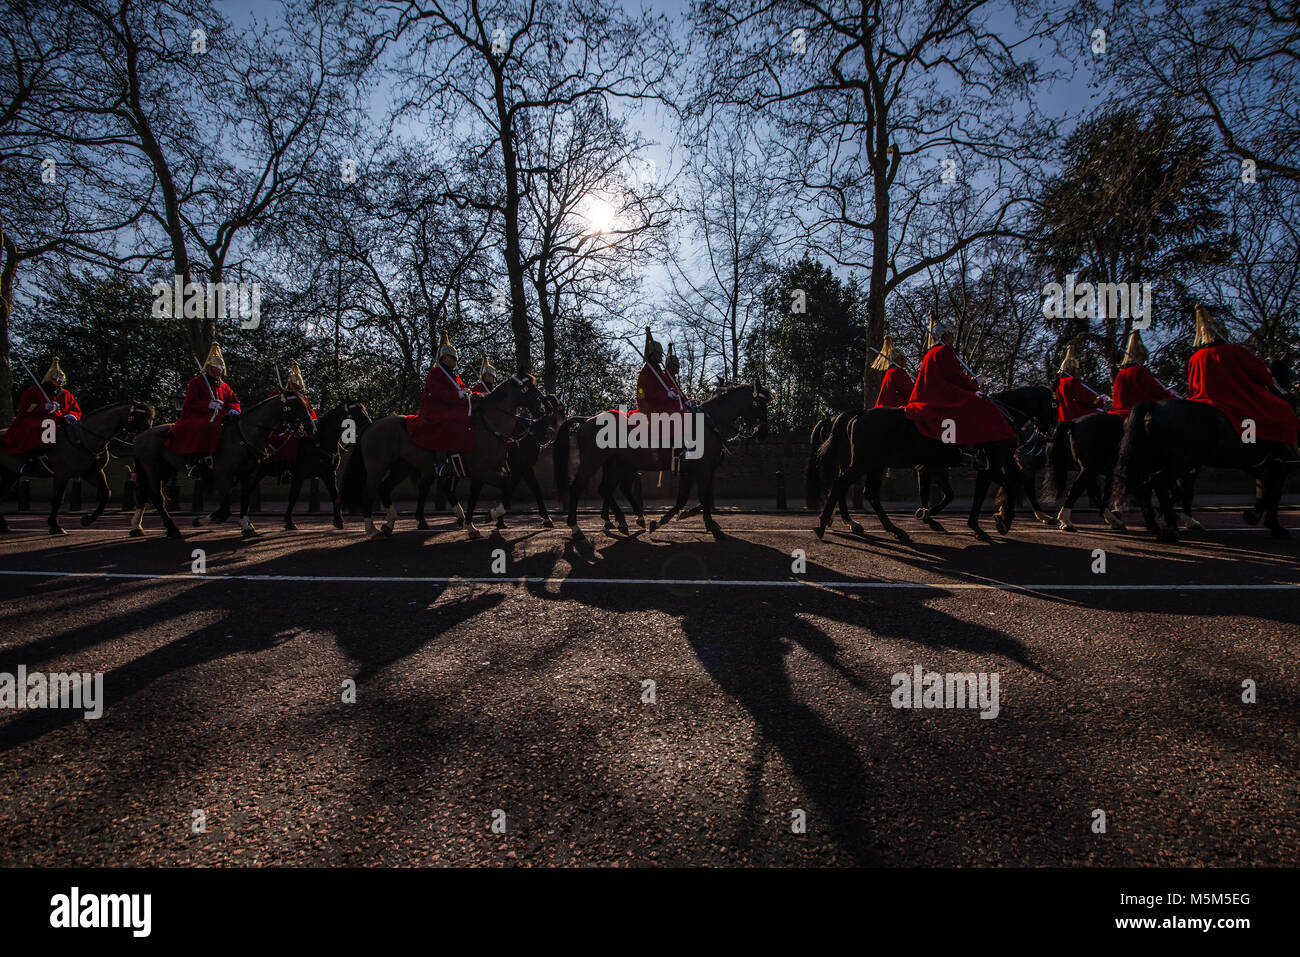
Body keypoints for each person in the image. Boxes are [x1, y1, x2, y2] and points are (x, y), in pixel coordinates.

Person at [1186, 304, 1298, 461]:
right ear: (1222, 333)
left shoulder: (1195, 357)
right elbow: (1264, 377)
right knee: (1284, 409)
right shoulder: (1233, 350)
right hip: (1236, 400)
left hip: (1203, 402)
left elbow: (1192, 386)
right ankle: (1288, 455)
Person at [902, 317, 1015, 469]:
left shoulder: (932, 353)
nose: (952, 340)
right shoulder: (943, 351)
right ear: (944, 337)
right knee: (983, 406)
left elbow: (953, 376)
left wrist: (971, 382)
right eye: (950, 337)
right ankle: (970, 448)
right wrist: (975, 383)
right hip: (943, 396)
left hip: (936, 394)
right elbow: (956, 377)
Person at [165, 342, 240, 478]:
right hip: (198, 415)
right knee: (205, 426)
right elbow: (190, 403)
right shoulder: (196, 382)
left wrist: (233, 410)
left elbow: (233, 401)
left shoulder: (224, 386)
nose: (218, 372)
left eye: (220, 369)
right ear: (209, 368)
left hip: (220, 415)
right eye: (215, 369)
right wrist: (208, 404)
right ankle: (196, 461)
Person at [407, 331, 474, 465]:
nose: (456, 361)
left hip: (451, 408)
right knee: (451, 422)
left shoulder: (454, 376)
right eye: (453, 358)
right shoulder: (435, 373)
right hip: (436, 410)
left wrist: (470, 392)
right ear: (444, 358)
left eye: (456, 358)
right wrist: (459, 394)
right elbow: (438, 393)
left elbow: (463, 387)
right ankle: (441, 462)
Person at [2, 356, 81, 464]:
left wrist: (71, 415)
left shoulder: (66, 394)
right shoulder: (34, 391)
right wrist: (44, 407)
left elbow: (75, 409)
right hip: (38, 418)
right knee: (48, 425)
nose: (56, 389)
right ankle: (40, 453)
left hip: (62, 420)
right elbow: (24, 407)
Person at [1110, 330, 1175, 418]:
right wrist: (1170, 394)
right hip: (1140, 412)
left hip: (1120, 414)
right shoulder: (1140, 371)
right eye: (1143, 357)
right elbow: (1155, 391)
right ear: (1140, 356)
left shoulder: (1121, 373)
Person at [264, 362, 318, 467]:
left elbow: (310, 412)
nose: (297, 388)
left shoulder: (302, 398)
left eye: (298, 386)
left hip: (300, 426)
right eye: (295, 385)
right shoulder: (280, 394)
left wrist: (313, 422)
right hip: (282, 426)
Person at [635, 327, 687, 417]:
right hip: (652, 408)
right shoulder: (647, 372)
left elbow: (669, 389)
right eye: (659, 354)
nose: (662, 357)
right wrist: (665, 394)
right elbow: (645, 394)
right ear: (653, 354)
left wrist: (685, 401)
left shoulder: (659, 372)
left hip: (662, 406)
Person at [1055, 343, 1110, 421]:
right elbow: (1085, 399)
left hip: (1063, 416)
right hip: (1077, 413)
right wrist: (1100, 400)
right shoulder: (1072, 381)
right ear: (1073, 369)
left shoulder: (1059, 382)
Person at [871, 337, 913, 408]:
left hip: (883, 406)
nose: (903, 362)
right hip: (893, 407)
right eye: (901, 359)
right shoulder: (898, 372)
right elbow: (909, 391)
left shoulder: (889, 372)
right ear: (896, 359)